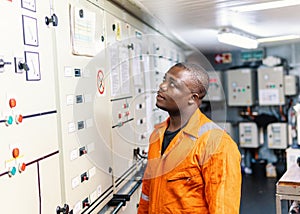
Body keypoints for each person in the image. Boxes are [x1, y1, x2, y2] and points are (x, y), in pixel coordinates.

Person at [137, 62, 241, 213]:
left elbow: (223, 209)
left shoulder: (217, 145)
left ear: (192, 98)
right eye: (164, 79)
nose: (162, 86)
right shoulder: (157, 135)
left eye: (173, 84)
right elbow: (147, 194)